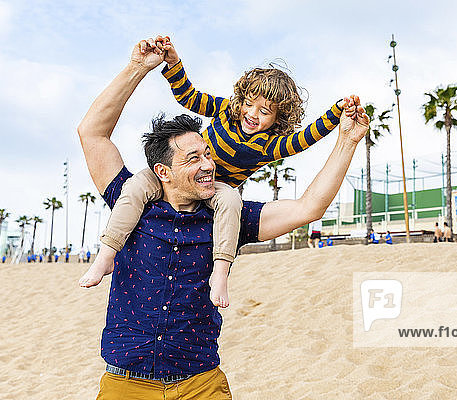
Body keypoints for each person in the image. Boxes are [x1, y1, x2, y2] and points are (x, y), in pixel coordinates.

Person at [77, 36, 369, 399]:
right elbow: (93, 133)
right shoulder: (133, 201)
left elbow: (307, 208)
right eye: (193, 158)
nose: (207, 164)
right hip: (126, 383)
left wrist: (347, 140)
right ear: (163, 171)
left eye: (207, 154)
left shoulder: (231, 215)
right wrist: (140, 67)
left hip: (201, 382)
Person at [80, 37, 346, 310]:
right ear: (241, 98)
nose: (252, 114)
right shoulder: (225, 112)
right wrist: (172, 63)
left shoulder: (270, 145)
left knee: (231, 198)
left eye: (265, 111)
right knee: (135, 186)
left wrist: (337, 113)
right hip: (171, 182)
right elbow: (188, 95)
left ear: (278, 118)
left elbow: (306, 138)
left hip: (215, 192)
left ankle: (220, 274)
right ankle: (106, 254)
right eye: (249, 104)